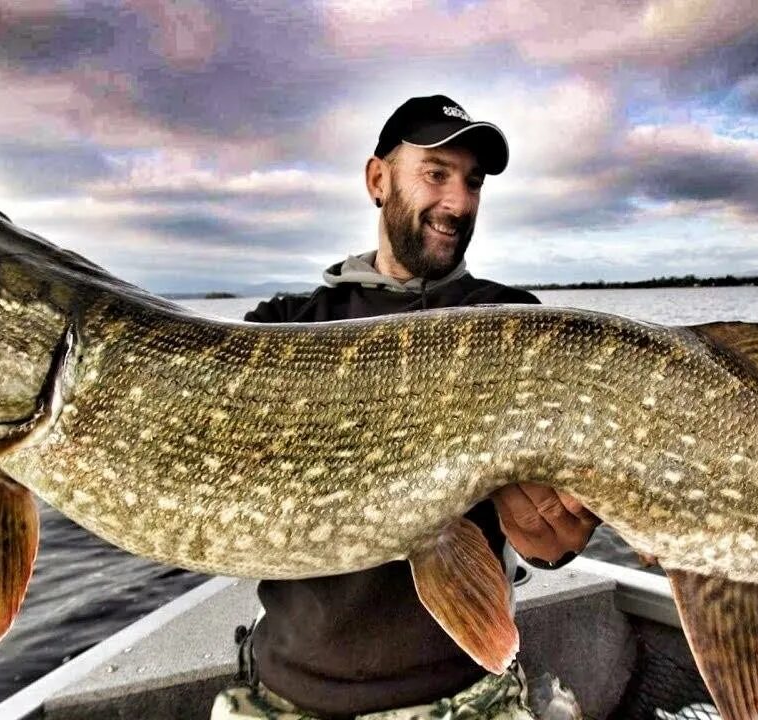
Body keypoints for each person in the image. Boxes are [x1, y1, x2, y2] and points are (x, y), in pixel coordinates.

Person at [212, 95, 600, 720]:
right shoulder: (282, 328)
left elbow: (550, 533)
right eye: (437, 173)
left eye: (473, 183)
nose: (459, 203)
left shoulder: (512, 323)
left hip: (468, 696)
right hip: (284, 694)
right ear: (378, 179)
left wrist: (554, 544)